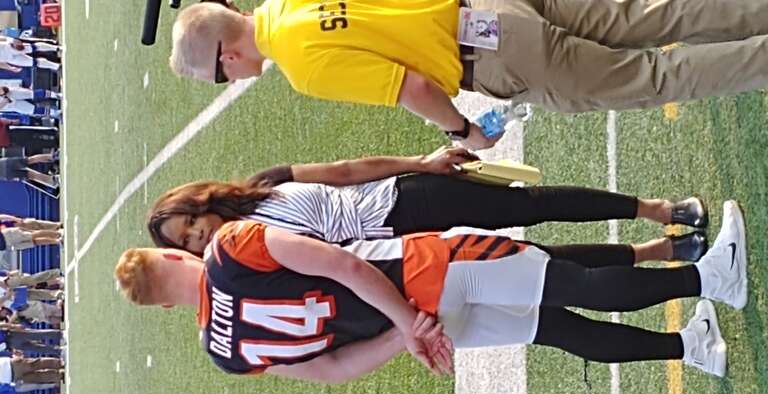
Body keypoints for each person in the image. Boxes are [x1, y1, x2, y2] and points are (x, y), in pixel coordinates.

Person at [118, 200, 746, 381]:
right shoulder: (227, 247)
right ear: (176, 254)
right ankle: (711, 277)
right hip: (422, 274)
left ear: (165, 306)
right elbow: (344, 266)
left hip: (420, 330)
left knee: (552, 330)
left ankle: (690, 349)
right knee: (567, 282)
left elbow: (332, 367)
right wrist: (409, 318)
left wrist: (407, 336)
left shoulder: (224, 352)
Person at [168, 0, 768, 150]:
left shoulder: (302, 65)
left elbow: (414, 88)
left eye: (220, 76)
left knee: (655, 77)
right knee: (653, 14)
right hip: (485, 10)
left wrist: (463, 133)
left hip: (494, 55)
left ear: (226, 57)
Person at [147, 146, 708, 265]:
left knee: (531, 205)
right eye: (186, 241)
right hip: (406, 252)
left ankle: (659, 209)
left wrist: (423, 160)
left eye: (190, 222)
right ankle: (660, 250)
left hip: (402, 198)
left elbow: (348, 171)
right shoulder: (244, 262)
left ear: (199, 202)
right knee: (532, 256)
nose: (196, 235)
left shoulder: (263, 179)